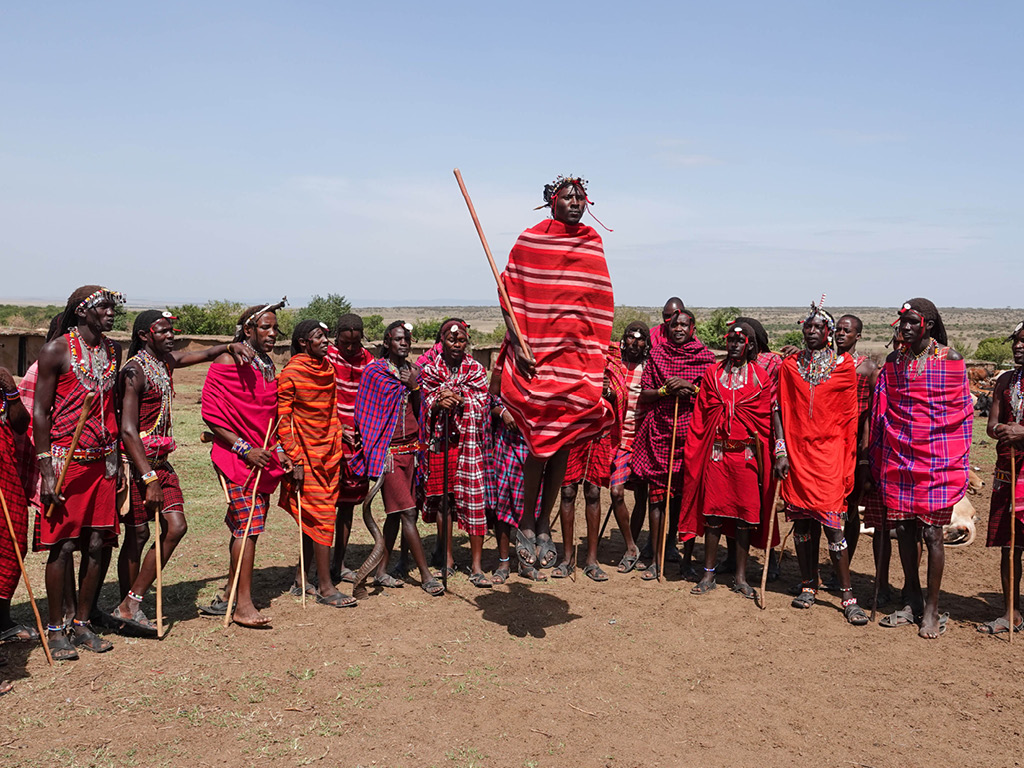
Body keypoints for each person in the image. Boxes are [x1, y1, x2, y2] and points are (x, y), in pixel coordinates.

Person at [498, 175, 615, 580]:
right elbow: (509, 298)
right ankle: (527, 523)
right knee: (538, 444)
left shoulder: (591, 244)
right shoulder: (530, 242)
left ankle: (543, 523)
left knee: (563, 442)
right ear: (551, 201)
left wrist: (592, 357)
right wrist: (519, 344)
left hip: (576, 360)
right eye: (568, 197)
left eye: (581, 197)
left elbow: (597, 304)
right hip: (538, 357)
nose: (576, 203)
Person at [110, 310, 255, 635]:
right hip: (137, 465)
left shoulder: (164, 363)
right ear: (146, 335)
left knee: (176, 527)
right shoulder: (135, 371)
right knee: (138, 535)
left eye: (170, 331)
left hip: (162, 463)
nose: (170, 335)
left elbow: (197, 354)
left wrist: (228, 348)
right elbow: (129, 431)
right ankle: (128, 605)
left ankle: (130, 602)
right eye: (162, 331)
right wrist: (147, 479)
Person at [872, 298, 972, 639]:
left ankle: (932, 607)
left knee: (931, 533)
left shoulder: (951, 359)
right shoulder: (893, 361)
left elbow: (960, 413)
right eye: (902, 323)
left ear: (927, 324)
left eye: (912, 322)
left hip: (938, 457)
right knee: (904, 530)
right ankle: (910, 598)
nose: (906, 328)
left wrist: (952, 456)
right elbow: (888, 409)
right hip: (901, 456)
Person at [34, 286, 125, 659]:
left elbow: (113, 408)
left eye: (112, 307)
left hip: (102, 461)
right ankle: (56, 629)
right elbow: (40, 411)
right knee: (63, 545)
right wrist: (47, 469)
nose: (111, 313)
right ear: (83, 311)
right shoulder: (57, 350)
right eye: (103, 307)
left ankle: (83, 623)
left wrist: (117, 457)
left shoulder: (114, 350)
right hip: (65, 463)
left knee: (95, 543)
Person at [200, 301, 293, 628]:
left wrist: (277, 447)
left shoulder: (266, 363)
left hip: (263, 458)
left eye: (274, 327)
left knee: (245, 527)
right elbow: (211, 415)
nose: (272, 333)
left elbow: (269, 414)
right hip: (236, 458)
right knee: (249, 528)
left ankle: (228, 594)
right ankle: (243, 606)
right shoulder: (227, 360)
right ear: (248, 330)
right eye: (265, 327)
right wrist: (245, 449)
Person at [773, 302, 866, 625]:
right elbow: (778, 410)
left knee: (832, 525)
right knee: (801, 525)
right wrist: (781, 451)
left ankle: (847, 595)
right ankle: (808, 585)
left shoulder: (844, 368)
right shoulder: (789, 366)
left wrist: (845, 459)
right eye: (807, 327)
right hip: (797, 455)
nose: (811, 332)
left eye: (818, 328)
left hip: (828, 458)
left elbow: (848, 420)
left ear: (829, 333)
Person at [682, 322, 774, 600]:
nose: (734, 345)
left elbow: (766, 419)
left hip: (746, 455)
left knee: (745, 516)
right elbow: (702, 413)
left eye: (740, 340)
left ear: (749, 344)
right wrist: (696, 447)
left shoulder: (760, 377)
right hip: (717, 453)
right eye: (730, 340)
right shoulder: (712, 374)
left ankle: (741, 577)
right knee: (712, 515)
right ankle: (708, 573)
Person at [352, 321, 443, 596]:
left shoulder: (415, 372)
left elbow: (420, 411)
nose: (404, 344)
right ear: (387, 342)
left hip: (411, 452)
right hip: (388, 453)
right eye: (399, 339)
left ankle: (380, 572)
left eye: (407, 340)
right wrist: (374, 451)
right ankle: (426, 576)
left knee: (394, 515)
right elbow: (365, 415)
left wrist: (415, 387)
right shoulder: (375, 373)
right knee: (408, 512)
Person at [630, 307, 715, 580]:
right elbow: (644, 393)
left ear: (693, 328)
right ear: (668, 327)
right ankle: (656, 559)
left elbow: (712, 396)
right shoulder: (656, 355)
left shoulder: (706, 358)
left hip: (691, 436)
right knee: (657, 501)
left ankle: (686, 561)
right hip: (660, 434)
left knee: (685, 502)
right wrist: (666, 389)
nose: (679, 329)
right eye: (675, 324)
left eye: (684, 325)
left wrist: (691, 388)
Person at [276, 320, 355, 608]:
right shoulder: (292, 373)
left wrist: (338, 433)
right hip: (305, 458)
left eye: (325, 336)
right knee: (322, 518)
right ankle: (325, 586)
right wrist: (295, 459)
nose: (325, 341)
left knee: (315, 518)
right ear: (302, 343)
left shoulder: (327, 369)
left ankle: (300, 578)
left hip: (330, 455)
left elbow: (331, 409)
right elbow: (284, 420)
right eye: (318, 337)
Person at [418, 319, 492, 587]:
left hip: (468, 445)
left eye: (461, 340)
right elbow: (424, 401)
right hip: (441, 442)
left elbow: (483, 402)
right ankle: (447, 559)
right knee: (443, 499)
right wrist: (438, 403)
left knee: (474, 502)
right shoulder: (430, 370)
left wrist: (461, 400)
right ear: (441, 341)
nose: (457, 345)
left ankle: (476, 566)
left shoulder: (476, 369)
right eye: (451, 340)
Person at [716, 317, 782, 581]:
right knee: (730, 504)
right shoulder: (723, 367)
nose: (737, 343)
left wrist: (779, 448)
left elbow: (776, 407)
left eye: (744, 339)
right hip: (729, 444)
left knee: (764, 502)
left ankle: (771, 560)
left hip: (759, 442)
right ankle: (732, 556)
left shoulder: (771, 365)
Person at [555, 344, 628, 581]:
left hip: (598, 434)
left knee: (593, 492)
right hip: (572, 431)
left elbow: (620, 395)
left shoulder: (611, 356)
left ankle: (591, 560)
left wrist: (607, 392)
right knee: (567, 492)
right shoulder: (568, 354)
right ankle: (567, 558)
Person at [977, 321, 1024, 635]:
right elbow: (991, 424)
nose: (1018, 346)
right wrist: (1002, 430)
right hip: (1010, 467)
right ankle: (1011, 612)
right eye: (1016, 342)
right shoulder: (1006, 380)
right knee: (1011, 545)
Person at [326, 314, 374, 585]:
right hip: (330, 441)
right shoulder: (328, 358)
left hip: (358, 446)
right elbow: (319, 398)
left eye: (356, 343)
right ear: (337, 337)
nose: (351, 349)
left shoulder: (368, 360)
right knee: (323, 507)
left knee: (347, 507)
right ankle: (311, 569)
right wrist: (337, 425)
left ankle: (338, 563)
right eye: (346, 343)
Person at [0, 366, 34, 646]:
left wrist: (10, 389)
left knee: (12, 543)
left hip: (5, 473)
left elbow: (21, 424)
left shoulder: (3, 381)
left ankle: (2, 620)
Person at [612, 322, 649, 574]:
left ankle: (631, 545)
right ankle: (631, 545)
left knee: (641, 494)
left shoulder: (649, 368)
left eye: (639, 339)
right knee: (616, 492)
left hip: (643, 440)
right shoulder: (613, 363)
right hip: (615, 438)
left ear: (646, 343)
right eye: (630, 338)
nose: (634, 343)